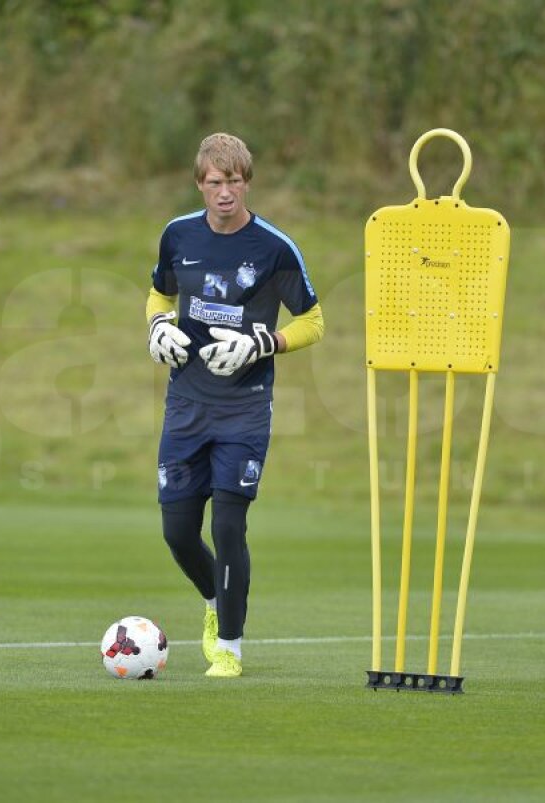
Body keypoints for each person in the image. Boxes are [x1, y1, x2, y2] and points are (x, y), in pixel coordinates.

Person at [146, 133, 324, 678]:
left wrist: (264, 343)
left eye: (236, 181)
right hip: (186, 404)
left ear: (248, 182)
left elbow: (314, 323)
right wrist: (156, 325)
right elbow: (160, 293)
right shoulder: (178, 235)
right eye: (216, 182)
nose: (226, 192)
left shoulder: (274, 248)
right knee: (177, 531)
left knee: (227, 527)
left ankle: (229, 645)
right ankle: (212, 599)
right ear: (200, 184)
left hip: (245, 409)